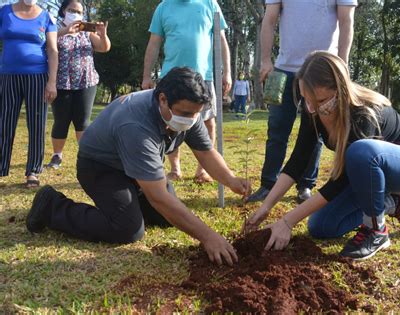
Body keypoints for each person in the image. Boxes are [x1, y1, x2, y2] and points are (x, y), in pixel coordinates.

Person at [27, 67, 251, 266]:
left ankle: (127, 202)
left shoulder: (186, 110)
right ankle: (52, 206)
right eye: (185, 113)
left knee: (165, 217)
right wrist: (209, 237)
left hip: (134, 166)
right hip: (100, 166)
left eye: (196, 114)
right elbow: (159, 197)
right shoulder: (136, 125)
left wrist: (230, 180)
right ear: (163, 99)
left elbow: (205, 151)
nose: (191, 120)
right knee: (128, 229)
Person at [244, 51, 400, 260]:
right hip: (371, 177)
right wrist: (266, 206)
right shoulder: (314, 110)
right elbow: (297, 162)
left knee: (361, 151)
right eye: (307, 101)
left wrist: (288, 221)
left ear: (340, 89)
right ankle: (395, 203)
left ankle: (376, 231)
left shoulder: (364, 114)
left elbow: (340, 180)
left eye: (321, 101)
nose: (313, 109)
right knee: (320, 226)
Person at [246, 0, 357, 203]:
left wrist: (341, 65)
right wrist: (265, 60)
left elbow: (346, 21)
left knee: (316, 131)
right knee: (277, 129)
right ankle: (268, 184)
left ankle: (305, 185)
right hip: (284, 70)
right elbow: (269, 19)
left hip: (322, 71)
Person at [141, 0, 232, 184]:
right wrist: (146, 76)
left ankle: (203, 171)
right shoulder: (164, 7)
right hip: (172, 76)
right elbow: (154, 43)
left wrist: (227, 72)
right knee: (169, 123)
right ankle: (175, 169)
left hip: (203, 76)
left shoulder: (210, 4)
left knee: (208, 123)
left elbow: (221, 39)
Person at [45, 0, 110, 169]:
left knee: (82, 121)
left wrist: (103, 34)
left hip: (86, 81)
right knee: (61, 121)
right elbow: (45, 44)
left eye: (80, 12)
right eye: (72, 10)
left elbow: (104, 48)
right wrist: (66, 31)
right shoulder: (54, 27)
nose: (76, 14)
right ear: (63, 11)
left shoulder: (85, 31)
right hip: (61, 83)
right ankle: (57, 156)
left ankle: (86, 156)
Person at [0, 0, 58, 187]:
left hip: (38, 76)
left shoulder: (46, 16)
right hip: (8, 75)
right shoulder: (4, 12)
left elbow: (52, 49)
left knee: (37, 124)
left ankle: (33, 171)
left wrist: (52, 82)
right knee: (4, 123)